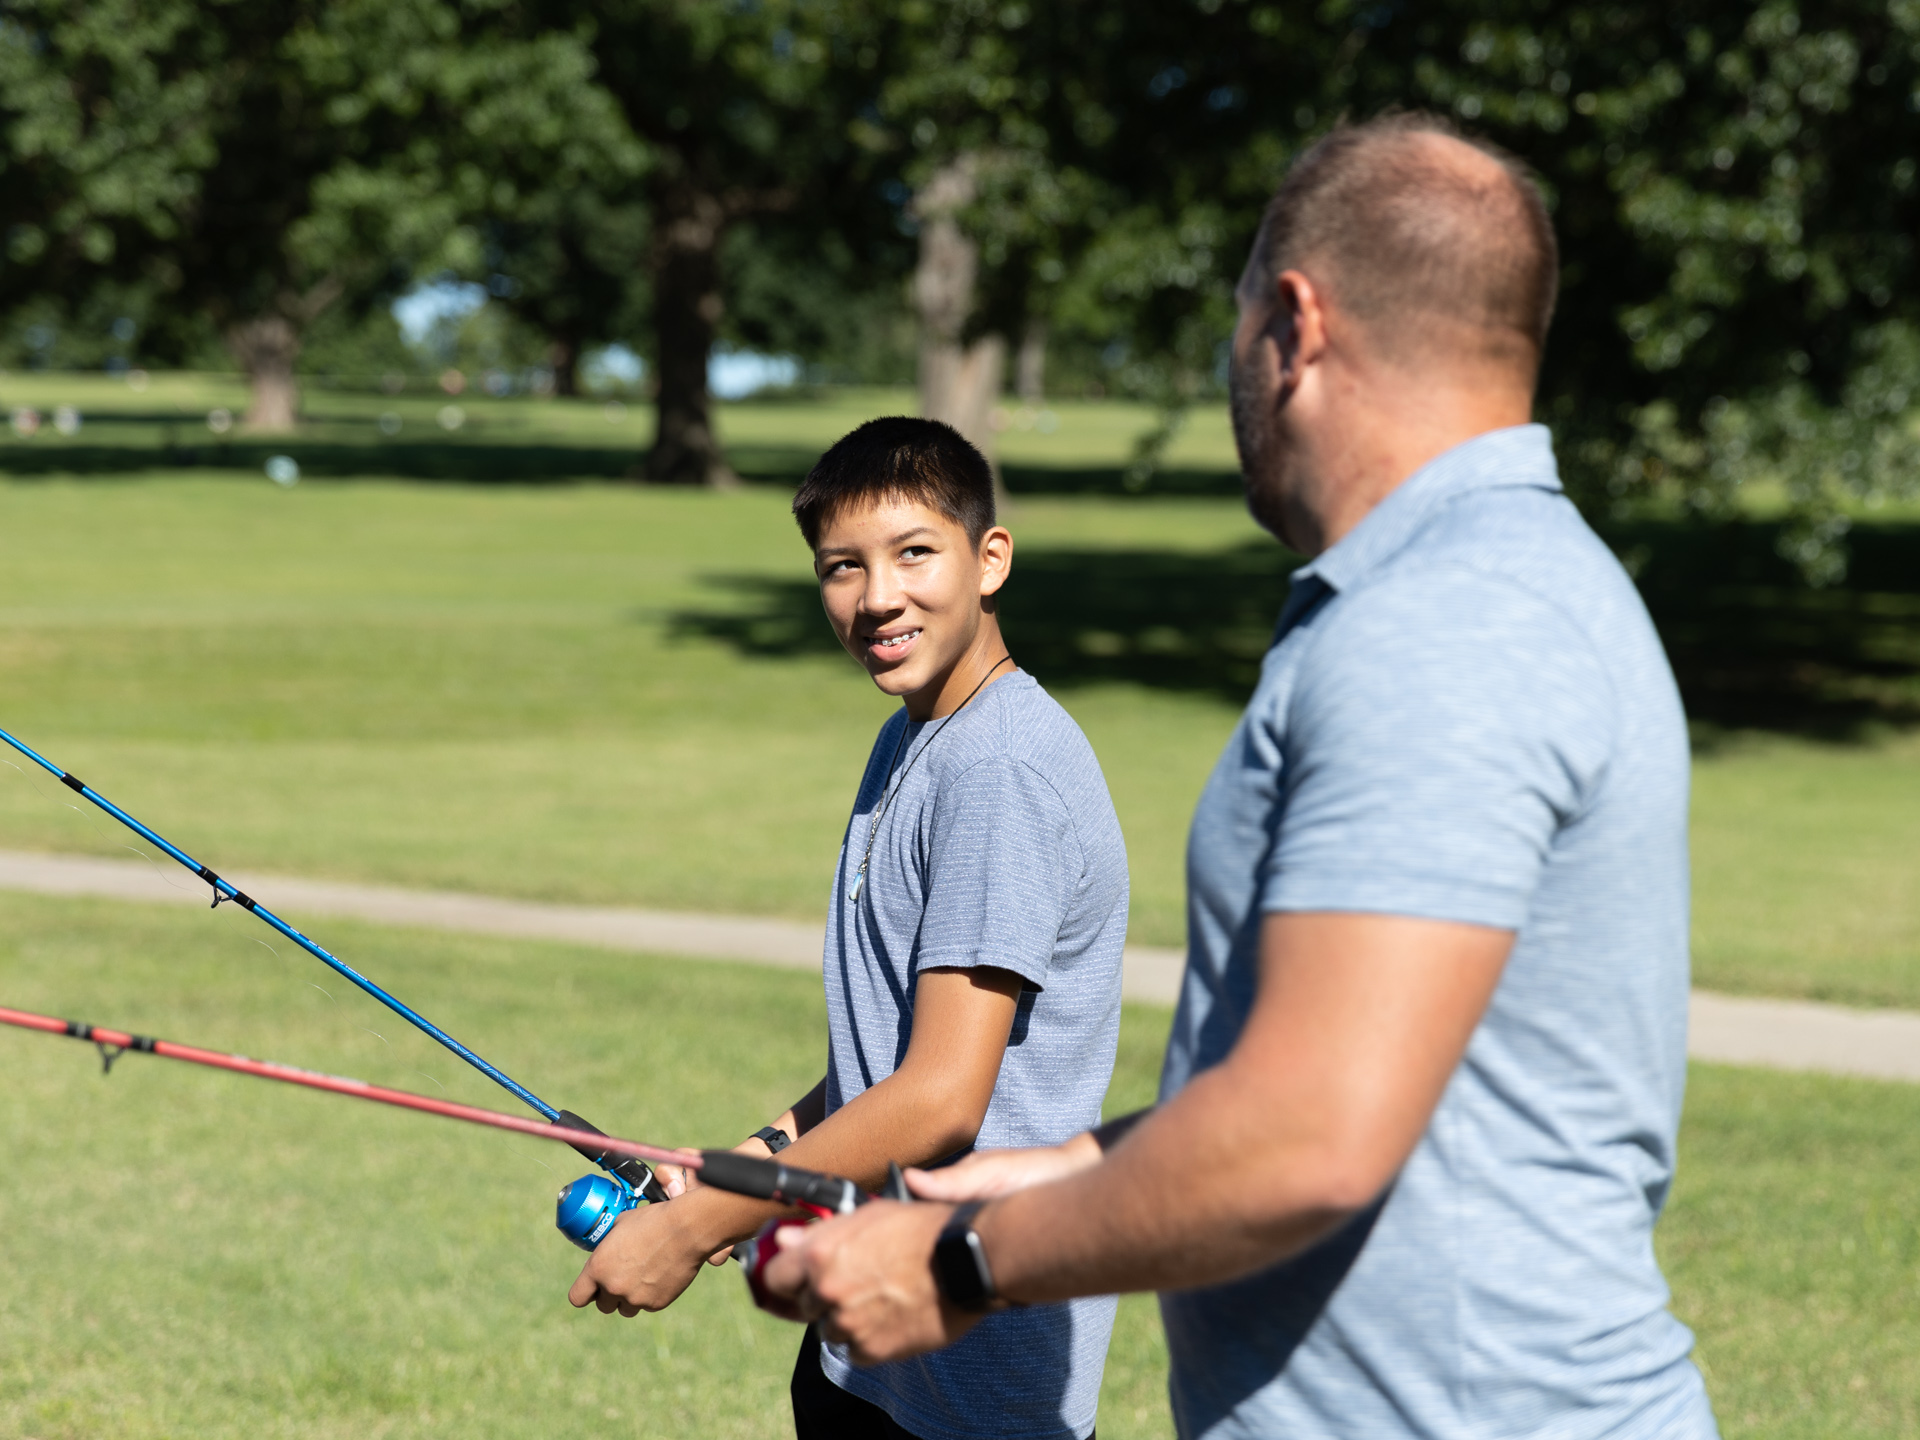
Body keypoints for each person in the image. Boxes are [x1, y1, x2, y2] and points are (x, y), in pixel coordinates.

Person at [758, 113, 1721, 1439]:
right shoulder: (1473, 587)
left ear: (1293, 321)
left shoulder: (1443, 626)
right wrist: (1070, 1167)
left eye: (1231, 336)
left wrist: (968, 1266)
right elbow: (1349, 1072)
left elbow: (1310, 1134)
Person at [569, 416, 1131, 1440]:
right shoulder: (911, 736)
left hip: (973, 1363)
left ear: (989, 559)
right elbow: (891, 1057)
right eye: (842, 567)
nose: (877, 597)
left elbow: (939, 1100)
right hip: (865, 1337)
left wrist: (696, 1230)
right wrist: (750, 1158)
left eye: (915, 553)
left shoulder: (999, 771)